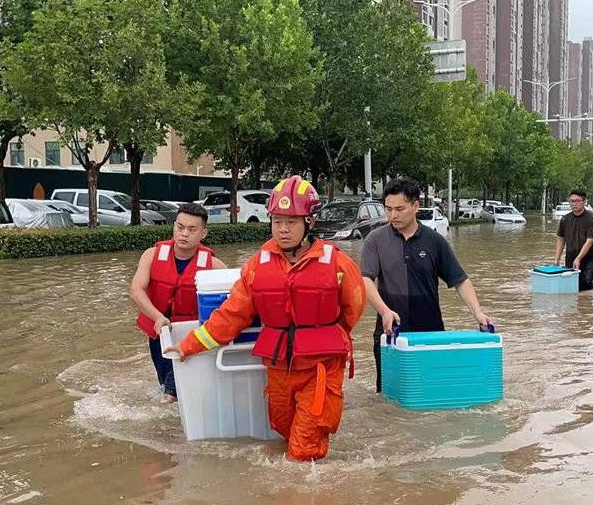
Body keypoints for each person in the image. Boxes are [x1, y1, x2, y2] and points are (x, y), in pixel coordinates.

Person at [167, 176, 365, 461]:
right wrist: (188, 345)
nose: (282, 230)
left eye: (292, 222)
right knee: (283, 429)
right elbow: (232, 315)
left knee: (303, 449)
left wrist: (324, 337)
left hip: (320, 367)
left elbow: (352, 309)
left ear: (309, 222)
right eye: (277, 221)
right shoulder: (257, 266)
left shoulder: (337, 263)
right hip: (279, 368)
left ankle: (304, 503)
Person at [361, 178, 492, 393]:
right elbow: (365, 279)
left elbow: (459, 279)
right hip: (390, 332)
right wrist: (384, 311)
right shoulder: (375, 240)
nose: (393, 215)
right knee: (389, 399)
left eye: (400, 209)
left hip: (430, 335)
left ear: (415, 206)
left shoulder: (434, 241)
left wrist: (477, 312)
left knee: (432, 394)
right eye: (388, 209)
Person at [130, 202, 226, 403]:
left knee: (171, 394)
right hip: (159, 331)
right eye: (180, 227)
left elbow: (233, 301)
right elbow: (136, 290)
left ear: (203, 233)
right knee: (165, 381)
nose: (184, 234)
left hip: (190, 335)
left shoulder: (215, 266)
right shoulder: (152, 255)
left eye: (192, 229)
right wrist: (157, 317)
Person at [554, 189, 593, 291]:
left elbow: (590, 241)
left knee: (586, 284)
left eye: (577, 201)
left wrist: (578, 258)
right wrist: (557, 260)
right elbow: (561, 240)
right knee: (571, 285)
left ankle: (586, 305)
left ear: (584, 202)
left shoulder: (591, 218)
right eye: (572, 201)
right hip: (570, 255)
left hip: (588, 257)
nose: (574, 204)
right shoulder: (565, 219)